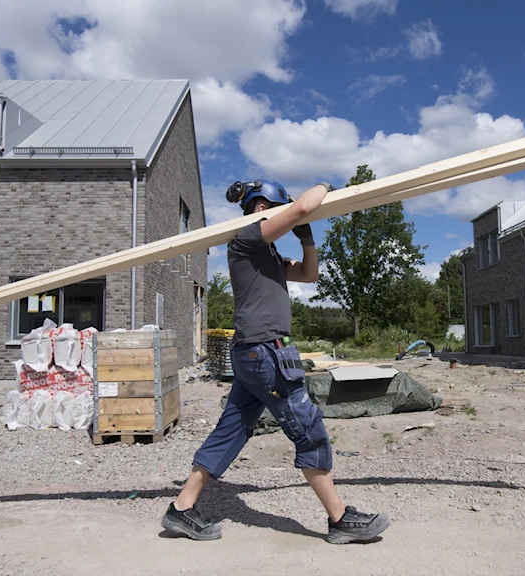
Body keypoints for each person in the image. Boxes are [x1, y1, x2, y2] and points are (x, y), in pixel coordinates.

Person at [161, 179, 391, 545]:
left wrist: (307, 239)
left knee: (232, 429)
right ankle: (340, 517)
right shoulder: (246, 240)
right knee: (307, 427)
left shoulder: (268, 256)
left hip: (255, 353)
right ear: (259, 207)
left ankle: (182, 507)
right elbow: (301, 207)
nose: (272, 212)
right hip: (264, 352)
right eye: (268, 206)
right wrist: (322, 187)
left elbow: (309, 274)